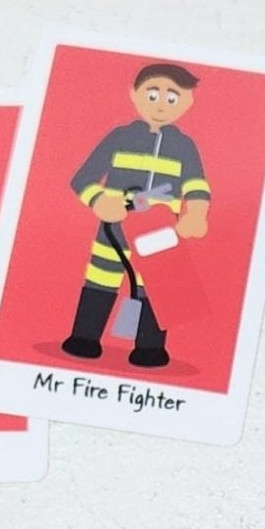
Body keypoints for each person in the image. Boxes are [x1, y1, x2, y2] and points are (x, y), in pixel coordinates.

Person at [61, 62, 211, 369]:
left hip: (160, 233)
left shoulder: (184, 146)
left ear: (189, 100)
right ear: (134, 94)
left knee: (157, 289)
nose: (161, 105)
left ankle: (150, 348)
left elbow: (196, 185)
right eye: (152, 94)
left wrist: (196, 213)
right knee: (100, 281)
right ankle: (85, 337)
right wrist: (99, 200)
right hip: (113, 231)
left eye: (172, 97)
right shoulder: (118, 137)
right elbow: (83, 178)